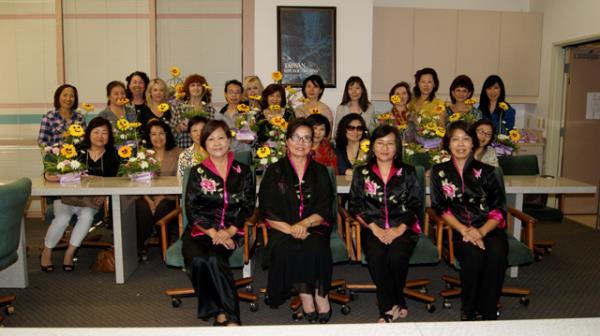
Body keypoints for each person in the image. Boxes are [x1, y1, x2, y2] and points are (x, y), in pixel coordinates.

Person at [259, 118, 335, 324]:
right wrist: (291, 228)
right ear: (287, 141)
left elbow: (326, 207)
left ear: (312, 143)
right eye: (296, 137)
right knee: (291, 248)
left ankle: (321, 295)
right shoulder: (274, 171)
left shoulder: (321, 171)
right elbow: (267, 209)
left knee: (316, 247)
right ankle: (306, 297)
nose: (301, 143)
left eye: (307, 138)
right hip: (282, 229)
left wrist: (304, 224)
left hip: (315, 226)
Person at [430, 121, 508, 321]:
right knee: (473, 257)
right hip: (457, 230)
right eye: (455, 139)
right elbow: (441, 208)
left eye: (466, 139)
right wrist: (465, 231)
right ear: (448, 144)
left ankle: (488, 311)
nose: (461, 144)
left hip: (489, 229)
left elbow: (499, 209)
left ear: (473, 143)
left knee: (496, 255)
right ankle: (469, 311)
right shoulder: (439, 172)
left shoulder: (489, 172)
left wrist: (480, 232)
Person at [182, 120, 255, 326]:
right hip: (201, 231)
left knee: (214, 260)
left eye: (221, 137)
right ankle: (218, 311)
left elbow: (248, 206)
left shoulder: (243, 171)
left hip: (233, 230)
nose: (217, 143)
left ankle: (230, 318)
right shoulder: (197, 172)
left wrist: (230, 231)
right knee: (198, 260)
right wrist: (215, 233)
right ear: (204, 144)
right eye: (211, 139)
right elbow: (192, 209)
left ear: (229, 140)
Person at [348, 125, 421, 323]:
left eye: (390, 143)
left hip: (403, 227)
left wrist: (399, 229)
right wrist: (374, 228)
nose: (385, 148)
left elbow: (415, 205)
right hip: (373, 227)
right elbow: (354, 205)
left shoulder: (409, 172)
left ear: (397, 148)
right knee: (377, 255)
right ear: (372, 147)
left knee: (397, 256)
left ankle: (389, 306)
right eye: (380, 143)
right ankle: (394, 304)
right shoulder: (361, 172)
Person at [40, 117, 120, 272]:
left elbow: (116, 181)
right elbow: (53, 170)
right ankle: (47, 252)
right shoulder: (74, 150)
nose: (100, 136)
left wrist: (104, 194)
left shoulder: (113, 155)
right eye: (96, 132)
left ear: (109, 136)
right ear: (89, 133)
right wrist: (48, 176)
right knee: (62, 218)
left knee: (87, 217)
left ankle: (70, 253)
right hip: (66, 198)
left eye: (104, 133)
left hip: (91, 201)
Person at [135, 119, 182, 259]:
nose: (158, 137)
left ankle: (165, 248)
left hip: (169, 197)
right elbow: (136, 181)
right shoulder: (143, 155)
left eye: (161, 133)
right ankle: (139, 246)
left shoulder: (178, 153)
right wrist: (149, 200)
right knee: (141, 207)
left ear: (167, 135)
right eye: (153, 134)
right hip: (146, 196)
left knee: (162, 207)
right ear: (148, 137)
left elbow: (180, 179)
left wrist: (162, 195)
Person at [171, 74, 216, 149]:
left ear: (203, 88)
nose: (196, 88)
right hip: (184, 149)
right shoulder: (179, 109)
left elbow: (214, 132)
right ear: (187, 88)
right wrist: (179, 128)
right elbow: (171, 133)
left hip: (205, 150)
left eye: (199, 85)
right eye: (193, 85)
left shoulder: (210, 110)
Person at [214, 79, 251, 152]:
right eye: (230, 92)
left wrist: (234, 133)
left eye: (237, 92)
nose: (234, 95)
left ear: (241, 95)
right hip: (224, 154)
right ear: (225, 94)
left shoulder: (248, 114)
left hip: (243, 153)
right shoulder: (218, 116)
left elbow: (251, 139)